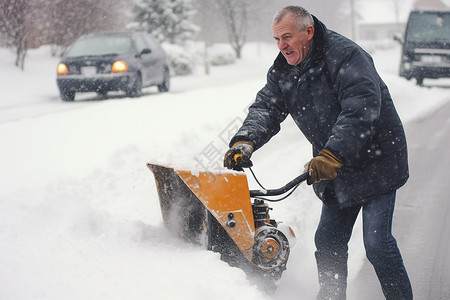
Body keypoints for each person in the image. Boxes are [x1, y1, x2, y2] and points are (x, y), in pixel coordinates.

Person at [223, 6, 413, 300]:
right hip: (336, 167)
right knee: (328, 242)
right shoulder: (284, 70)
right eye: (276, 39)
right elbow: (267, 107)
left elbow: (360, 108)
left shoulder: (346, 56)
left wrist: (332, 153)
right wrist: (245, 140)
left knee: (377, 244)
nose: (281, 46)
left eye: (287, 37)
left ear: (308, 32)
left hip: (376, 161)